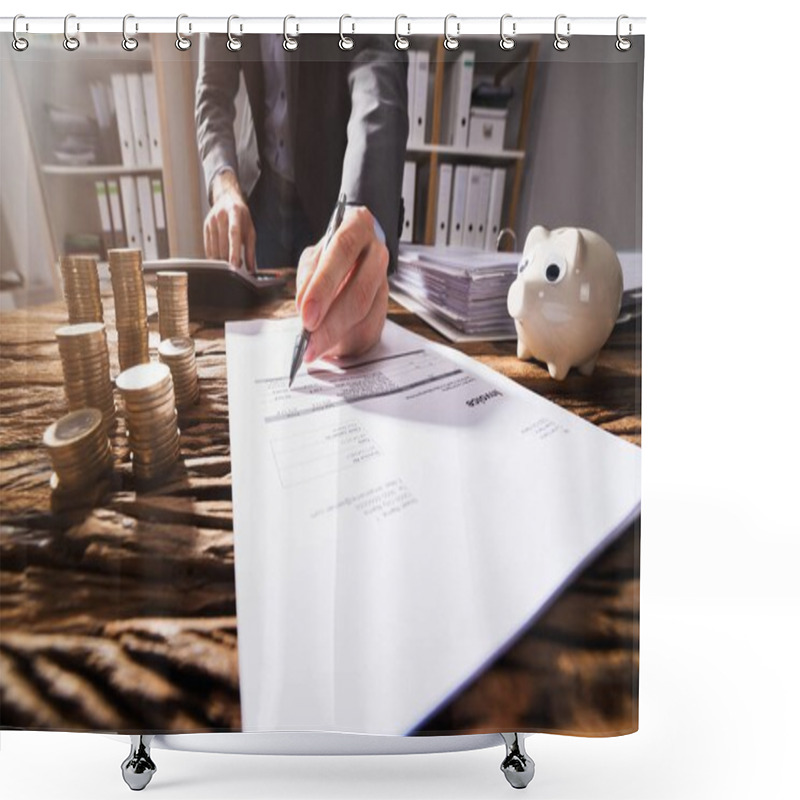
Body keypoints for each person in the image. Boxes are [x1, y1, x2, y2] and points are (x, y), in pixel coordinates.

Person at [195, 33, 408, 364]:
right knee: (257, 336)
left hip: (332, 193)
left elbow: (378, 60)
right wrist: (224, 187)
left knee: (341, 321)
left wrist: (360, 210)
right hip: (259, 197)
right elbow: (212, 93)